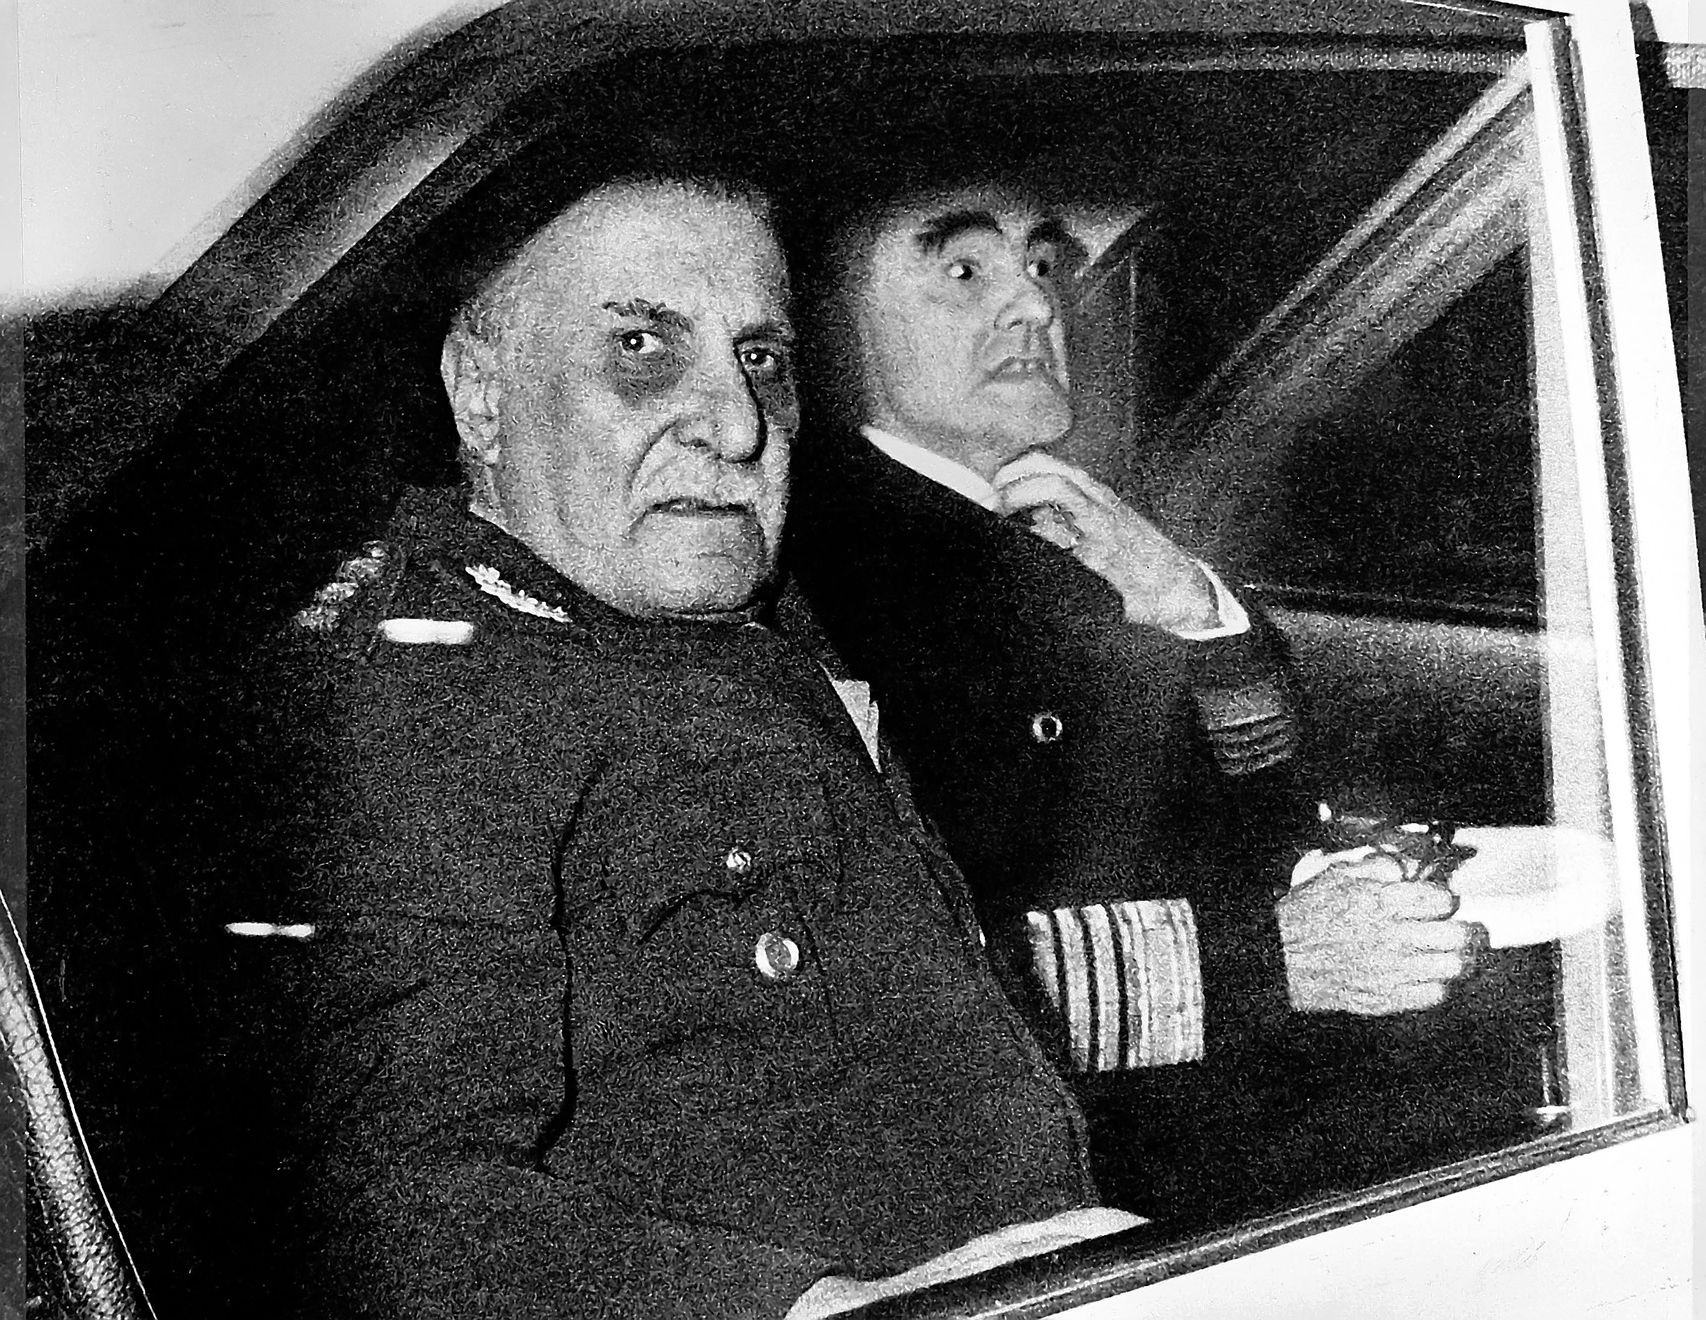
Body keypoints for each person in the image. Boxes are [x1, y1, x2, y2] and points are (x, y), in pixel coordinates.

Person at [234, 175, 1145, 1320]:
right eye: (640, 348)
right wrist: (826, 1309)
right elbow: (388, 1214)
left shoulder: (719, 616)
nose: (737, 423)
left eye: (760, 359)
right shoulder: (426, 699)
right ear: (480, 394)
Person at [785, 177, 1483, 1221]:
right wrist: (1268, 961)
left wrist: (1189, 604)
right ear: (832, 329)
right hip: (1076, 1188)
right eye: (964, 271)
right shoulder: (816, 585)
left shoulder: (1064, 525)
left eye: (1039, 264)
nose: (1034, 303)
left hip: (1228, 1114)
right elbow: (877, 997)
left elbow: (1268, 807)